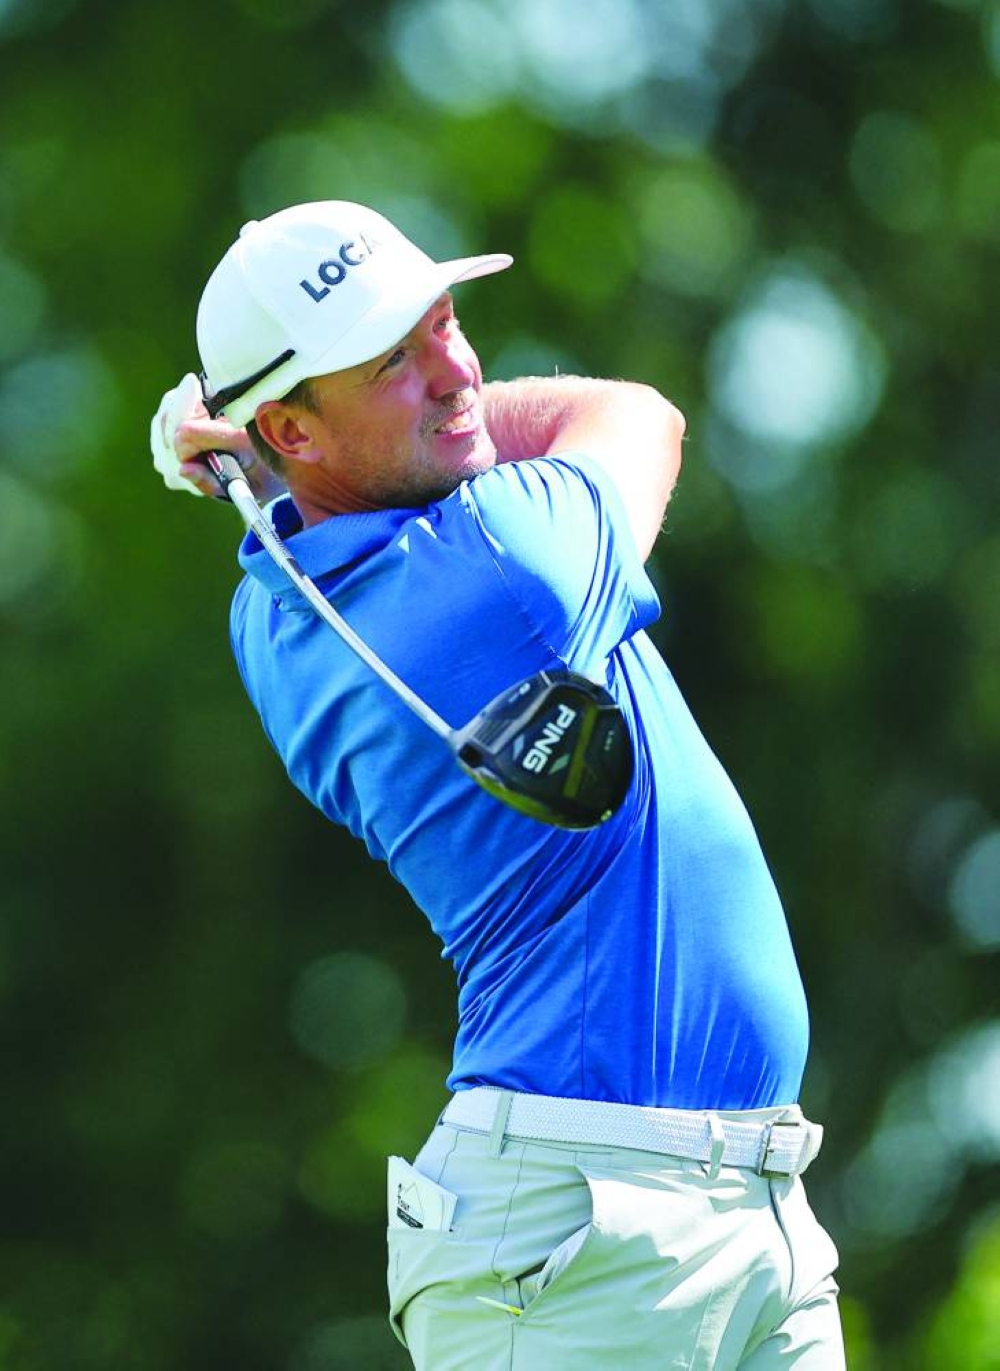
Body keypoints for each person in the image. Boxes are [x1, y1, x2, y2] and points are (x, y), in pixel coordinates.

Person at [150, 200, 845, 1369]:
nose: (456, 372)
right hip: (586, 1228)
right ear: (294, 428)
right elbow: (629, 414)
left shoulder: (269, 620)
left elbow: (318, 504)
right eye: (391, 361)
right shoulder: (508, 570)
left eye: (445, 323)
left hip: (730, 1208)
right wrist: (239, 451)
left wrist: (252, 460)